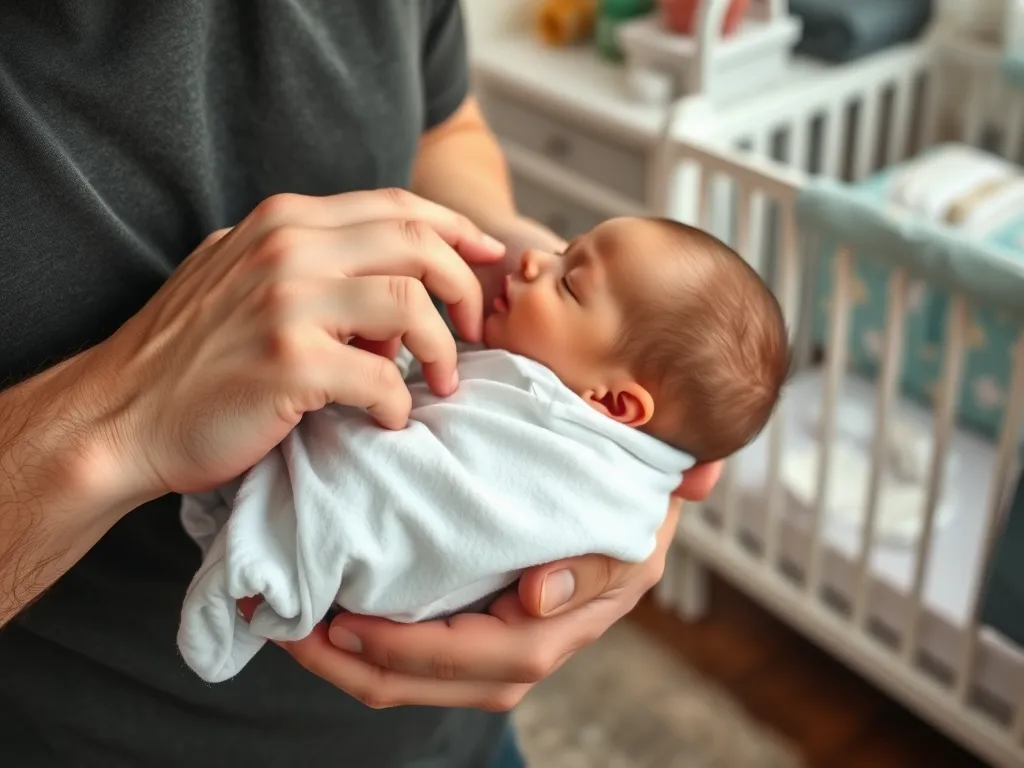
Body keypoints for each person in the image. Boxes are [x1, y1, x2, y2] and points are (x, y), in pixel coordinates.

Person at [0, 2, 721, 766]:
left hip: (460, 743)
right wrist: (121, 423)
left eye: (573, 274)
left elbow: (445, 127)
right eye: (565, 255)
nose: (546, 262)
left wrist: (497, 246)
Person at [175, 215, 786, 687]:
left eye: (569, 282)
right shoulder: (581, 419)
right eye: (563, 246)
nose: (532, 258)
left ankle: (279, 549)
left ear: (615, 405)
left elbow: (451, 497)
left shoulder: (560, 437)